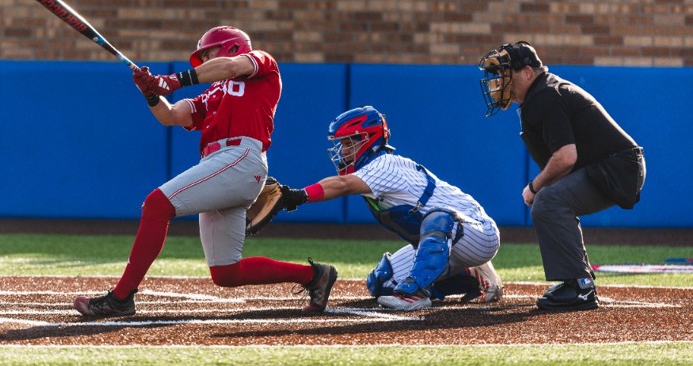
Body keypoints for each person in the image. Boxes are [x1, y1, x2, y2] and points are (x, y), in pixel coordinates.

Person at [72, 26, 337, 318]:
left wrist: (171, 80)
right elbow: (170, 115)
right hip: (220, 164)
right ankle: (315, 276)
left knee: (156, 205)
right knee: (226, 272)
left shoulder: (260, 63)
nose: (206, 59)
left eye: (209, 52)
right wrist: (150, 92)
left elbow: (229, 66)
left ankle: (121, 298)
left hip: (240, 156)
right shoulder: (213, 92)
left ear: (233, 47)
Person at [276, 106, 502, 311]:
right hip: (452, 240)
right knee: (381, 282)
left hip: (478, 235)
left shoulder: (384, 165)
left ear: (367, 139)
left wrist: (299, 195)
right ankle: (472, 276)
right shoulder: (372, 168)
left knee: (438, 218)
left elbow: (342, 185)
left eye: (347, 143)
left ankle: (416, 294)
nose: (343, 151)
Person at [478, 41, 646, 312]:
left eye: (505, 72)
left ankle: (579, 286)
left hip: (616, 168)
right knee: (553, 201)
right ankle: (579, 280)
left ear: (528, 73)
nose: (499, 80)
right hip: (614, 165)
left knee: (548, 201)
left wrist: (534, 186)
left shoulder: (544, 95)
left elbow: (566, 156)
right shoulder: (540, 94)